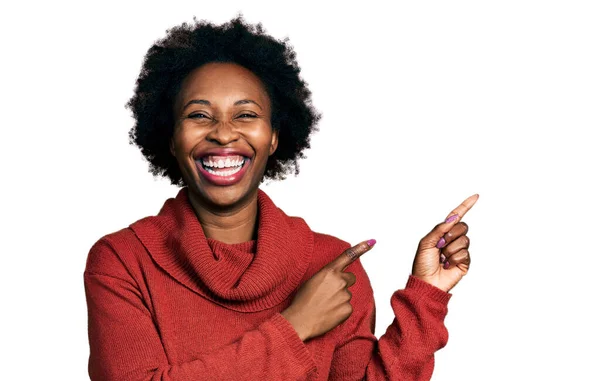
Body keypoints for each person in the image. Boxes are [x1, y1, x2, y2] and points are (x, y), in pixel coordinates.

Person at [83, 15, 479, 381]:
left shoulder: (332, 266)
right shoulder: (123, 260)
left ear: (274, 137)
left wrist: (427, 295)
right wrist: (296, 327)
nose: (223, 133)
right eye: (199, 115)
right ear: (171, 138)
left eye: (246, 115)